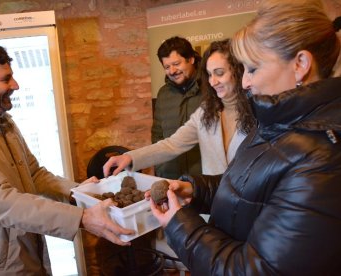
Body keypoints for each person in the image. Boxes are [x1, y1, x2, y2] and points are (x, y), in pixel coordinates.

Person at [149, 0, 341, 275]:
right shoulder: (275, 123)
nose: (245, 83)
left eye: (252, 69)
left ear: (300, 64)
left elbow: (253, 270)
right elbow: (251, 190)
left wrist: (179, 224)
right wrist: (196, 189)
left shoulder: (323, 158)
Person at [0, 42, 134, 275]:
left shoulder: (3, 122)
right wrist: (82, 217)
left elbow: (33, 174)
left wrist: (76, 193)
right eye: (5, 79)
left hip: (22, 258)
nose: (15, 85)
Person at [104, 39, 254, 178]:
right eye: (209, 75)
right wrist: (129, 157)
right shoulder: (206, 111)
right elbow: (172, 144)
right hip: (213, 198)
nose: (213, 82)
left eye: (219, 73)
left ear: (238, 70)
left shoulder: (258, 112)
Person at [152, 36, 203, 179]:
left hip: (205, 180)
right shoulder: (163, 94)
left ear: (191, 59)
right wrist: (160, 168)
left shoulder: (211, 88)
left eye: (176, 63)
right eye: (167, 67)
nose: (172, 70)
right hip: (171, 177)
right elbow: (157, 135)